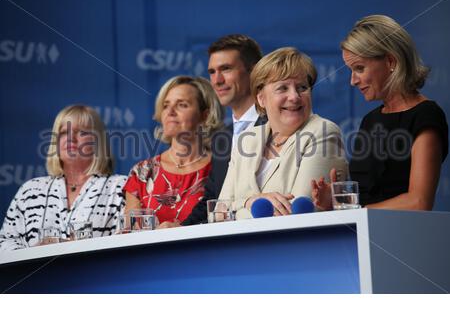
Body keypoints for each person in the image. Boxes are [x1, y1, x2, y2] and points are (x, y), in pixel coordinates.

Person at [312, 15, 448, 210]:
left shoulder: (426, 115)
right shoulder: (370, 120)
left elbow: (419, 202)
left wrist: (359, 212)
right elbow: (367, 199)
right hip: (362, 236)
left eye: (359, 68)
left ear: (391, 61)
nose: (353, 80)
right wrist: (336, 202)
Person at [219, 47, 348, 218]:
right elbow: (218, 211)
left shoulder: (323, 131)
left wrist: (236, 209)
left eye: (302, 87)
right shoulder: (246, 139)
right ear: (261, 98)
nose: (294, 96)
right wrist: (250, 202)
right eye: (282, 88)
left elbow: (299, 212)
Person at [0, 105, 127, 251]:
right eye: (64, 132)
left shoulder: (120, 187)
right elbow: (4, 242)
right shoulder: (30, 190)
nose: (71, 138)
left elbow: (128, 242)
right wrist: (35, 252)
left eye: (82, 132)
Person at [180, 34, 267, 226]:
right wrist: (178, 229)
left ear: (253, 71)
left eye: (226, 69)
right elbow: (213, 198)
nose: (217, 80)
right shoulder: (222, 137)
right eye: (212, 72)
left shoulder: (278, 125)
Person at [123, 76, 224, 227]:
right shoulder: (143, 172)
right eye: (165, 105)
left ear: (205, 115)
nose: (170, 112)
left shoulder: (222, 169)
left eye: (181, 105)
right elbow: (130, 232)